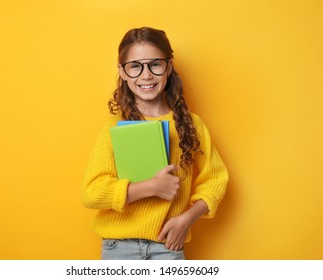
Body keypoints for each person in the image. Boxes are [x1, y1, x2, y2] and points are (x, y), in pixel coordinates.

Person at [81, 27, 228, 260]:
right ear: (123, 71)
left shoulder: (192, 124)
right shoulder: (112, 128)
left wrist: (186, 219)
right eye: (135, 66)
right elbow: (91, 194)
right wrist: (151, 187)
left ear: (168, 67)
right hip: (118, 249)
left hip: (168, 246)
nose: (146, 75)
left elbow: (215, 179)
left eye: (155, 64)